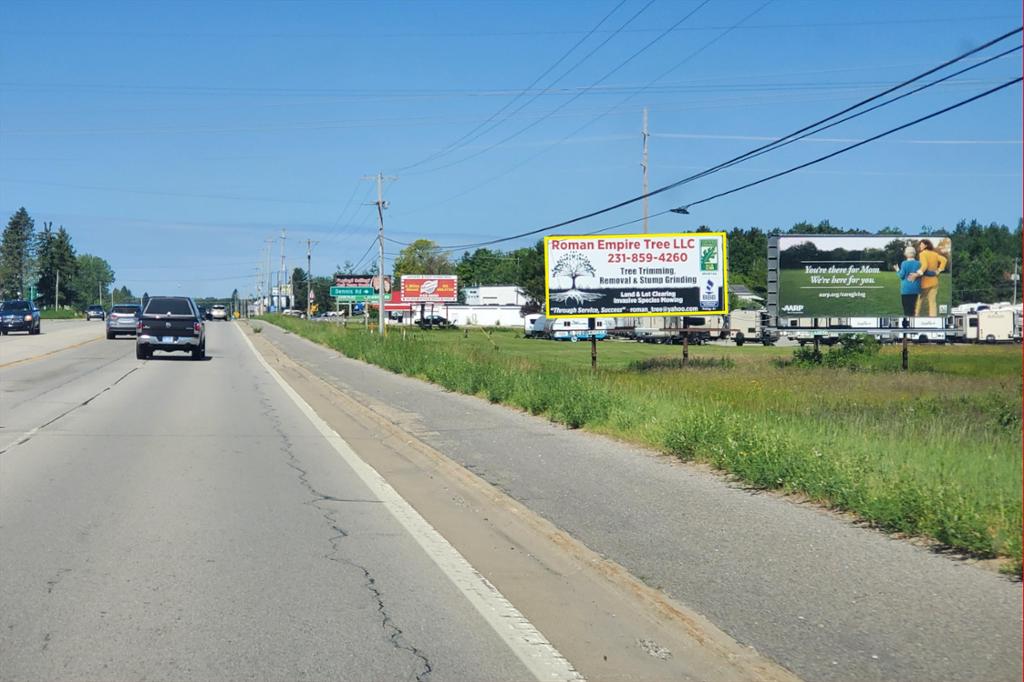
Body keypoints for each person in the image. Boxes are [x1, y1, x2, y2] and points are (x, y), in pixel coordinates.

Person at [914, 239, 948, 316]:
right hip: (934, 282)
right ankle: (933, 319)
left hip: (925, 282)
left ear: (926, 245)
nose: (920, 246)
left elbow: (924, 266)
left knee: (919, 300)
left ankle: (916, 316)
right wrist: (939, 270)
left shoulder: (922, 254)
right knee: (932, 302)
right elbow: (944, 260)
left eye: (921, 244)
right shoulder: (934, 254)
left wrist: (918, 273)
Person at [895, 245, 921, 317]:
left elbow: (901, 276)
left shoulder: (904, 263)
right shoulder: (919, 263)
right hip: (916, 290)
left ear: (906, 254)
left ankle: (908, 326)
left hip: (906, 290)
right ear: (914, 253)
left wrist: (897, 270)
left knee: (907, 311)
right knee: (915, 311)